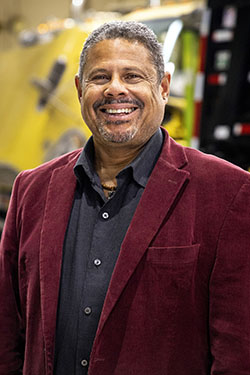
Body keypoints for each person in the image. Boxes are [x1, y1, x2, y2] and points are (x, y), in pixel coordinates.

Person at [0, 20, 250, 375]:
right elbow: (7, 333)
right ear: (79, 89)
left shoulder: (229, 193)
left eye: (133, 76)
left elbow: (239, 355)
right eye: (100, 77)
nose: (115, 89)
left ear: (163, 87)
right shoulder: (32, 190)